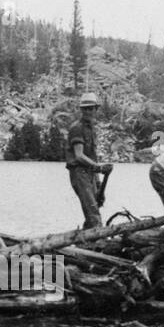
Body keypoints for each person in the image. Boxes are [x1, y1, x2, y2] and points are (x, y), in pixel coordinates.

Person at [65, 92, 113, 229]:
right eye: (85, 109)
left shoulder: (92, 129)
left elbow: (92, 156)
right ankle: (99, 242)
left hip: (90, 173)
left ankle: (85, 242)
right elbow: (79, 156)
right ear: (81, 110)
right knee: (93, 212)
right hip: (79, 173)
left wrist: (98, 182)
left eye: (91, 108)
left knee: (94, 207)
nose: (88, 111)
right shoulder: (77, 128)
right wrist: (99, 168)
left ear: (95, 109)